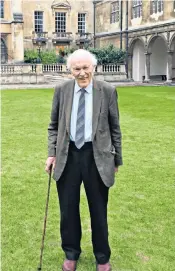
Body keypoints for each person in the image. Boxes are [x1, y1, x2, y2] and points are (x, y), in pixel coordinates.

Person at [45, 49, 123, 271]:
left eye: (85, 68)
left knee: (99, 210)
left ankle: (102, 257)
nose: (81, 73)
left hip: (96, 156)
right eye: (76, 69)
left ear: (93, 68)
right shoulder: (61, 90)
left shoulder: (107, 91)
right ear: (70, 70)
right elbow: (53, 126)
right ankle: (71, 254)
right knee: (68, 210)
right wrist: (51, 153)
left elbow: (115, 128)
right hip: (67, 156)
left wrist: (116, 159)